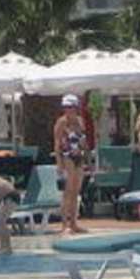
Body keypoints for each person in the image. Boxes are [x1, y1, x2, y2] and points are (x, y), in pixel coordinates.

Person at [52, 94, 92, 235]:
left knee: (76, 191)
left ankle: (74, 223)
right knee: (68, 192)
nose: (67, 110)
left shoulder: (80, 122)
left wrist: (89, 161)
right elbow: (57, 143)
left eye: (70, 107)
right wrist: (59, 163)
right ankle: (64, 225)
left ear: (76, 108)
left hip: (79, 157)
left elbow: (84, 143)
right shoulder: (61, 122)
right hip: (67, 157)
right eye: (66, 107)